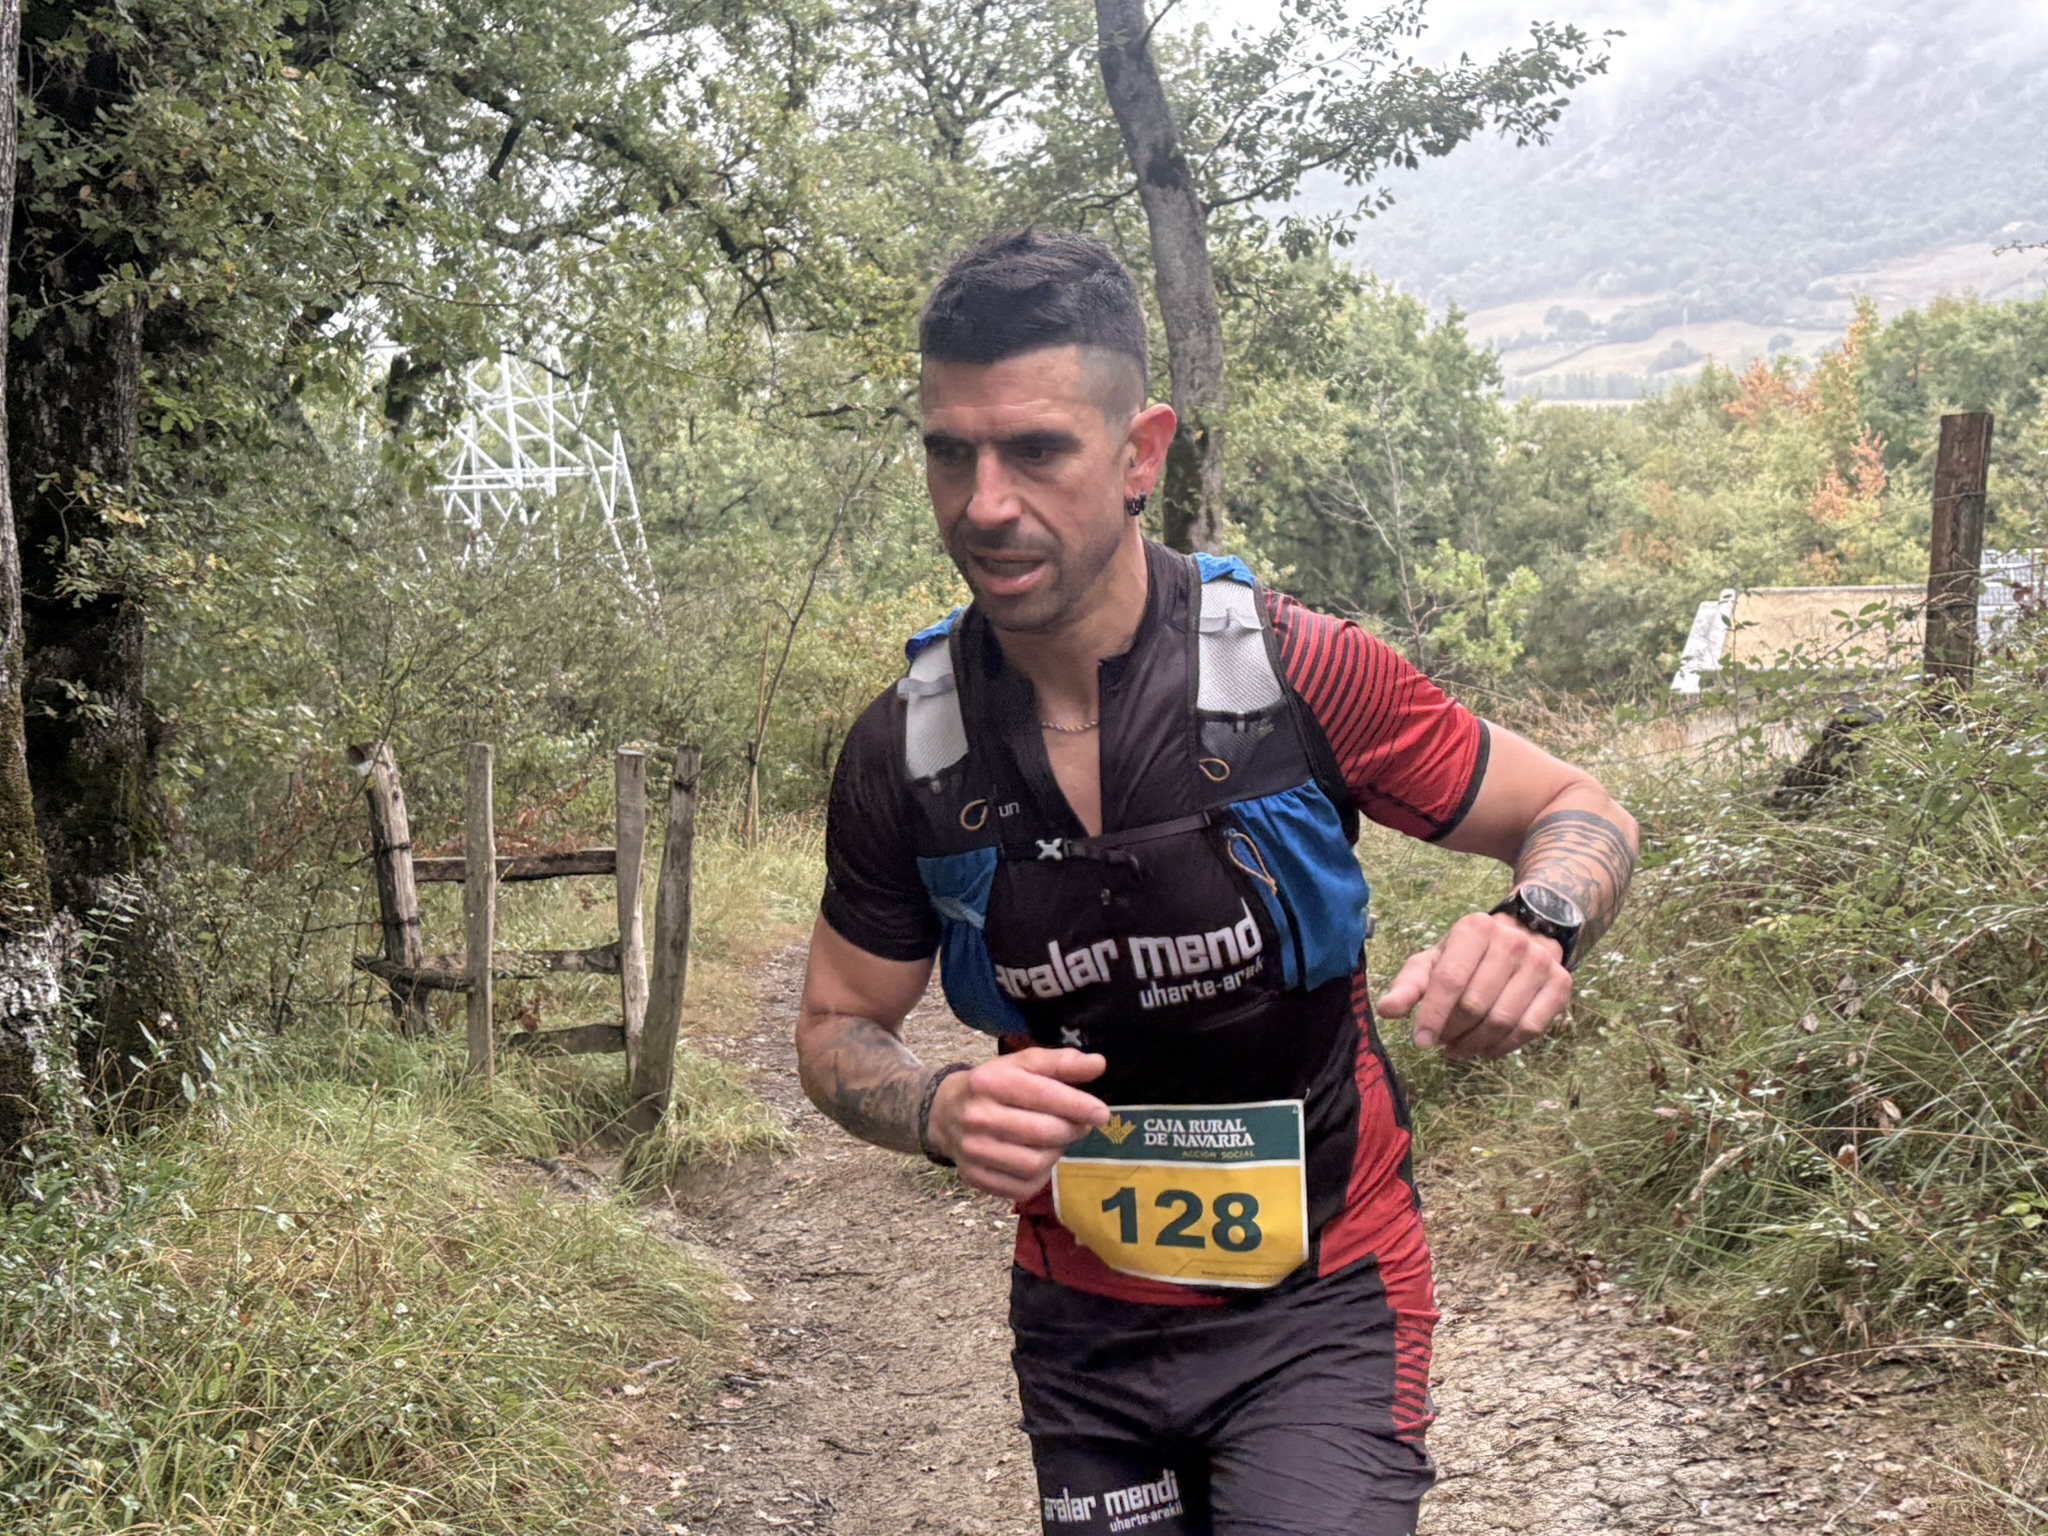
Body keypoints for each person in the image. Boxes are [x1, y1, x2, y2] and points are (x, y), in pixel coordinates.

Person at [794, 228, 1638, 1536]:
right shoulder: (905, 752)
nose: (984, 504)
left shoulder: (1298, 674)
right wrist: (937, 1108)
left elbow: (1577, 810)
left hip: (1325, 1303)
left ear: (1141, 454)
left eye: (1036, 451)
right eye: (950, 453)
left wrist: (1540, 922)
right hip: (1085, 1338)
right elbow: (836, 1022)